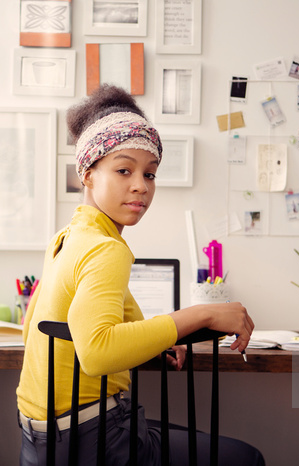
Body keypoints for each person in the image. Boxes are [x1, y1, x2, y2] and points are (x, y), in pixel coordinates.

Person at [16, 84, 264, 466]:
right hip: (93, 440)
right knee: (246, 458)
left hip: (41, 441)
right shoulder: (105, 248)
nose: (140, 186)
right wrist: (202, 314)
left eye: (150, 174)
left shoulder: (68, 238)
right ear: (87, 173)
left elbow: (33, 323)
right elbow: (97, 353)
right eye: (123, 169)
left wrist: (154, 338)